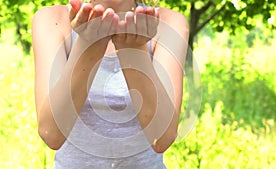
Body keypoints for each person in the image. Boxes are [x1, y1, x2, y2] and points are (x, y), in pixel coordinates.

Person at [32, 0, 189, 168]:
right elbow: (51, 134)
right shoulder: (52, 20)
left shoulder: (169, 23)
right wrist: (89, 44)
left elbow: (162, 138)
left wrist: (132, 50)